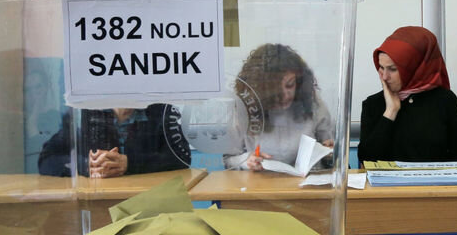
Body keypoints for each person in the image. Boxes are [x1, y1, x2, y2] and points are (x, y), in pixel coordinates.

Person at [358, 26, 457, 163]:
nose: (384, 77)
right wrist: (390, 112)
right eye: (381, 67)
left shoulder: (445, 101)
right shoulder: (373, 104)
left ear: (415, 67)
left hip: (436, 178)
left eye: (392, 69)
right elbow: (366, 160)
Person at [223, 43, 334, 171]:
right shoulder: (246, 108)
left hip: (307, 180)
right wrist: (246, 161)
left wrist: (330, 152)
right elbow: (229, 159)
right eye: (275, 90)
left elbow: (329, 149)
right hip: (261, 181)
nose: (285, 95)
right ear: (260, 90)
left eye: (290, 85)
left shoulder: (311, 102)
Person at [38, 104, 190, 177]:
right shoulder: (84, 114)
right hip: (100, 205)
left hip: (151, 202)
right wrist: (87, 165)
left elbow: (181, 158)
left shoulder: (160, 112)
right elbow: (47, 159)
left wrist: (130, 163)